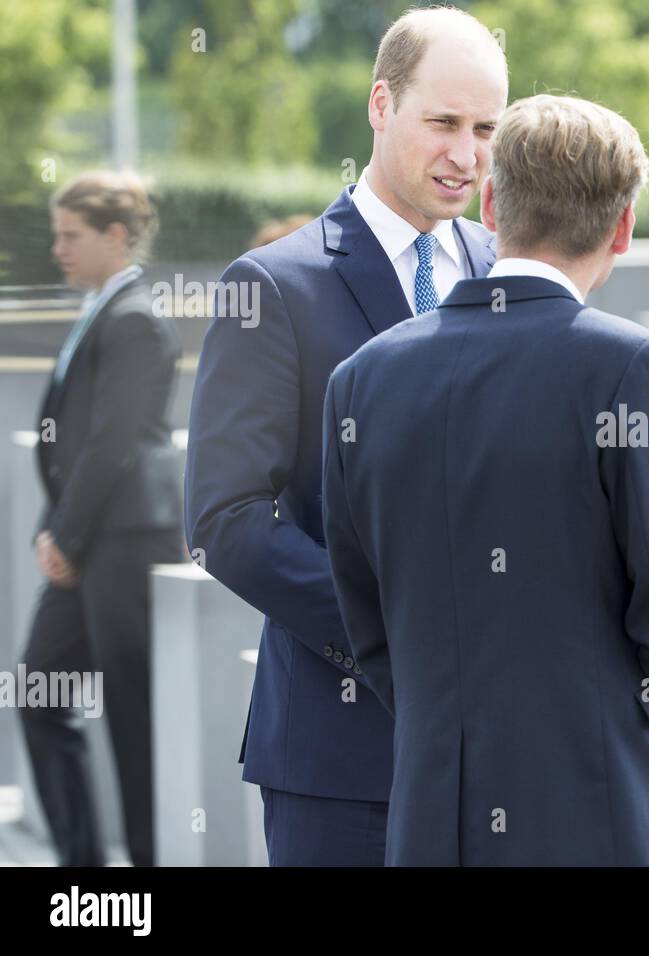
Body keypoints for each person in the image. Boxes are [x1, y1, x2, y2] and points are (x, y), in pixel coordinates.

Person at [321, 94, 649, 866]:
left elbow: (362, 612)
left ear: (491, 202)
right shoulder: (631, 366)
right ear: (624, 227)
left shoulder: (361, 380)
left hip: (431, 812)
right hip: (602, 809)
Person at [184, 7, 505, 866]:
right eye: (442, 122)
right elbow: (225, 521)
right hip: (344, 757)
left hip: (500, 759)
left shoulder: (504, 265)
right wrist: (397, 628)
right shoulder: (275, 286)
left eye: (485, 129)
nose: (467, 156)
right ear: (379, 106)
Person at [21, 170, 182, 866]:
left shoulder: (135, 317)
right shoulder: (103, 309)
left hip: (120, 545)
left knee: (131, 719)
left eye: (71, 235)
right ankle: (82, 869)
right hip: (86, 543)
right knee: (37, 691)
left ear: (116, 236)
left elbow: (113, 440)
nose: (58, 248)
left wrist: (66, 534)